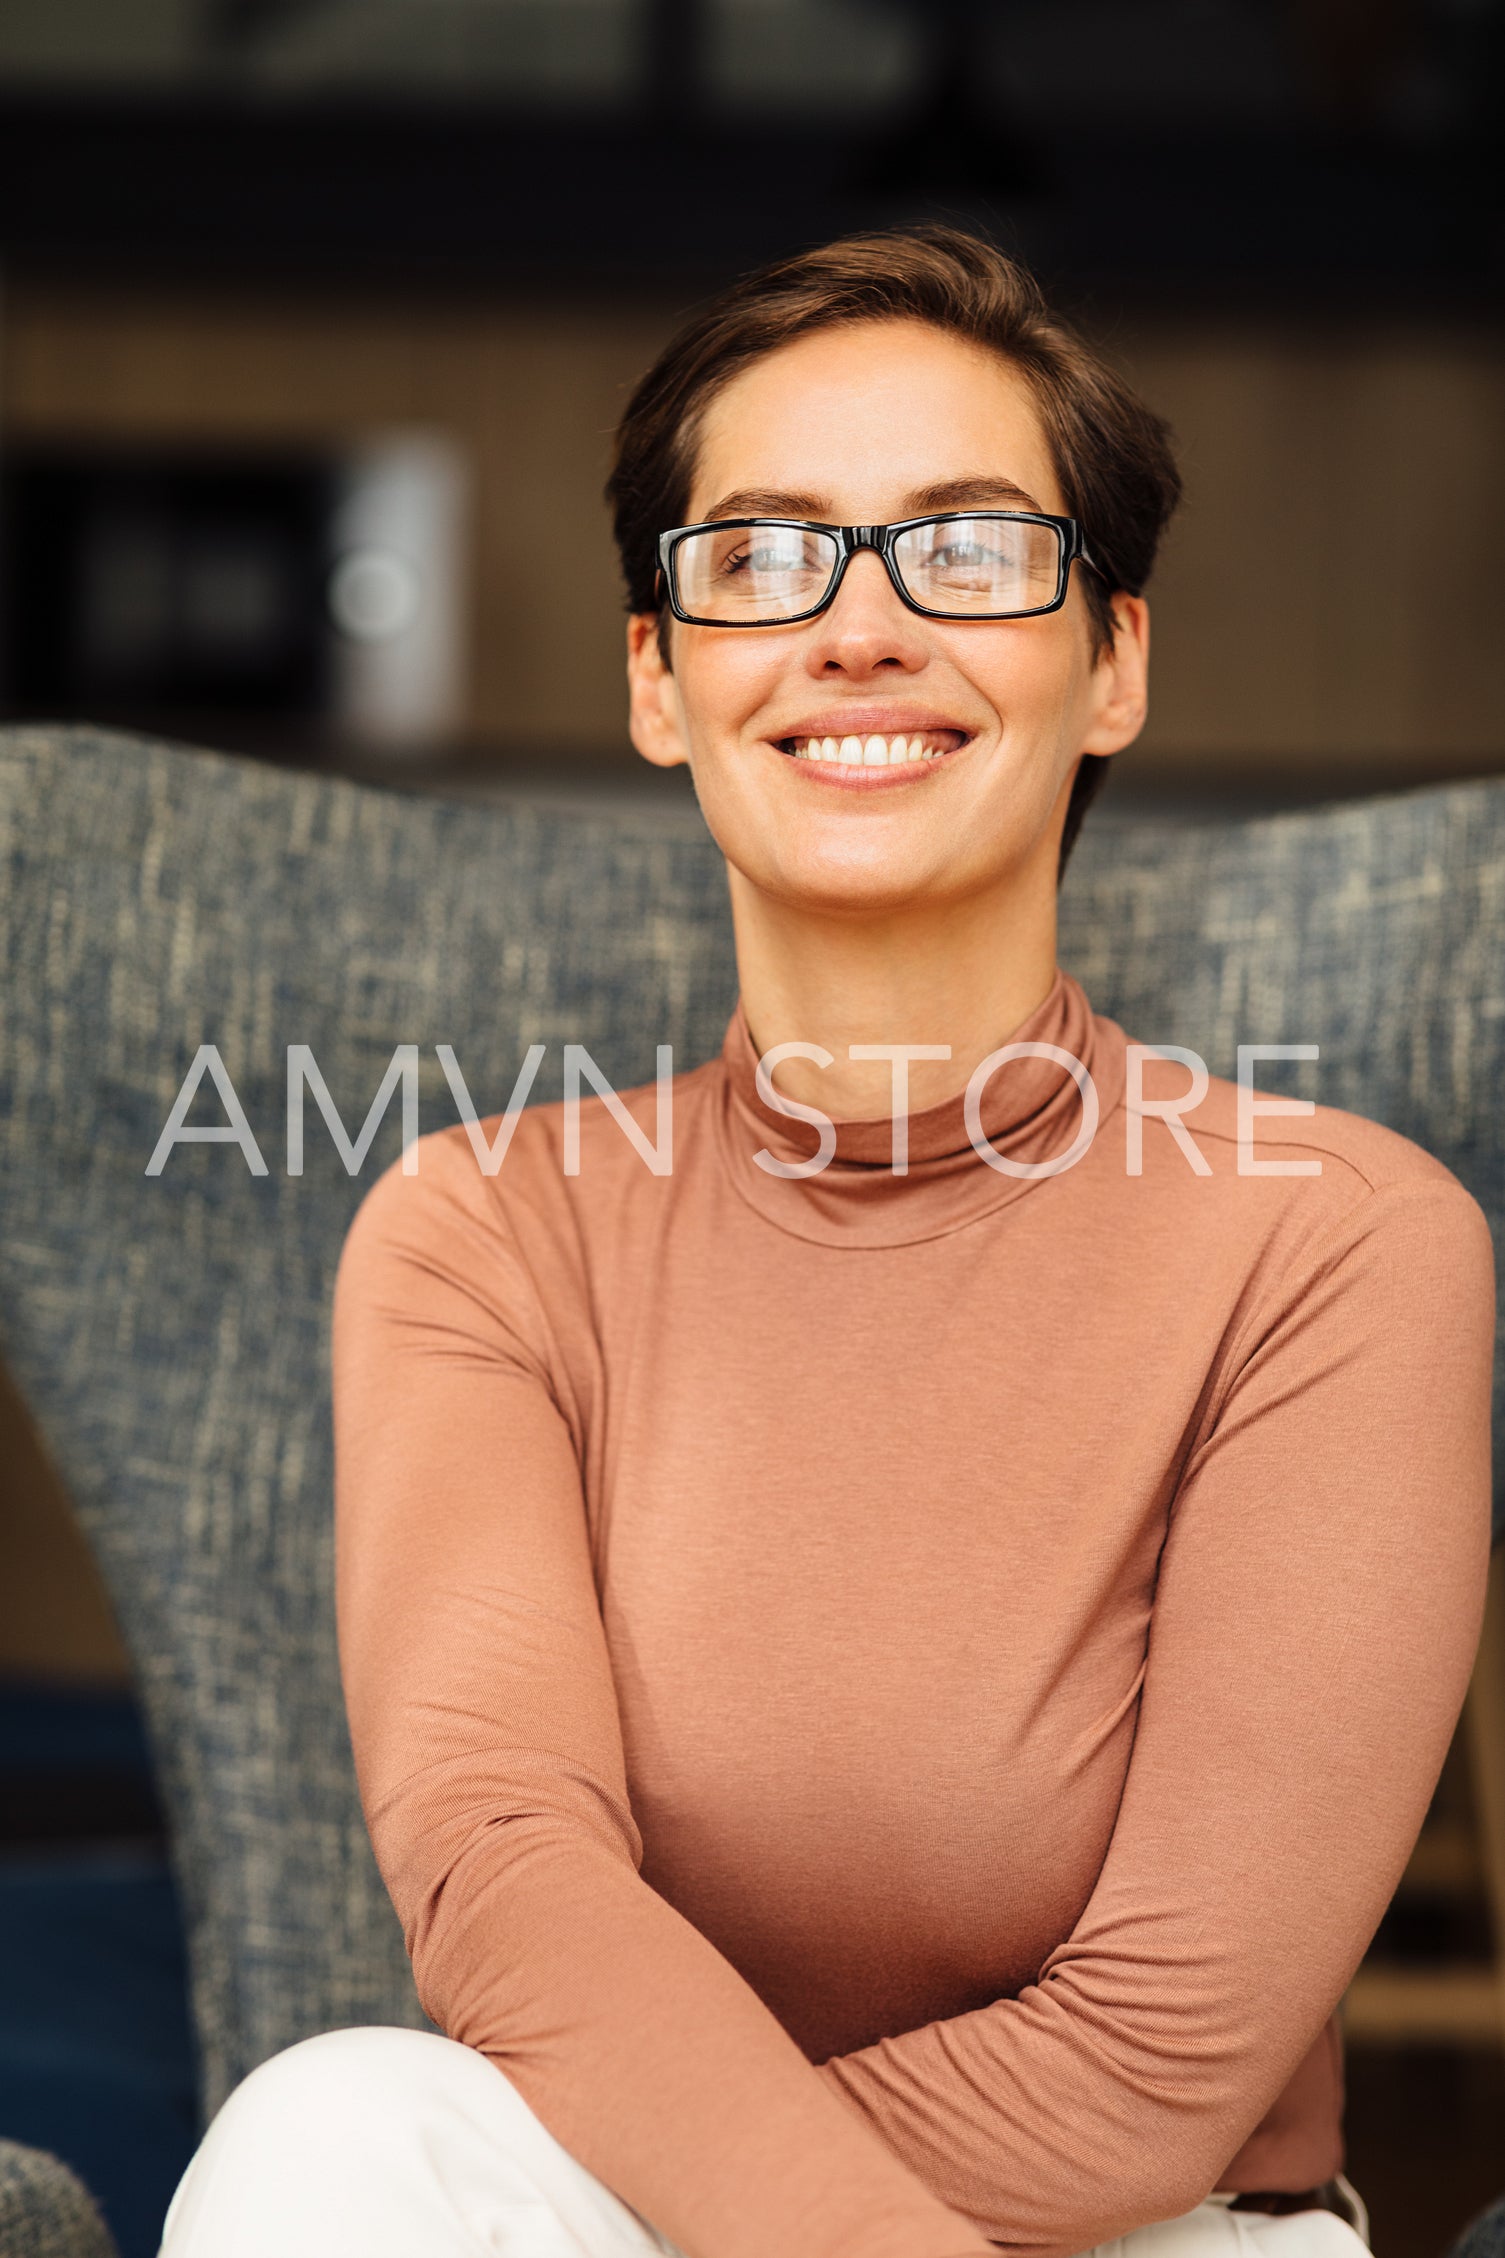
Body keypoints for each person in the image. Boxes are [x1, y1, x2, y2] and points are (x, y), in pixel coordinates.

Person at [157, 226, 1495, 2258]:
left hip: (1150, 2234)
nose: (857, 629)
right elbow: (507, 1886)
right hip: (614, 2209)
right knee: (326, 2134)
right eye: (765, 557)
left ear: (1112, 658)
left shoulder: (1339, 1242)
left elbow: (1161, 2052)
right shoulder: (475, 1232)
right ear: (659, 681)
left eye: (965, 550)